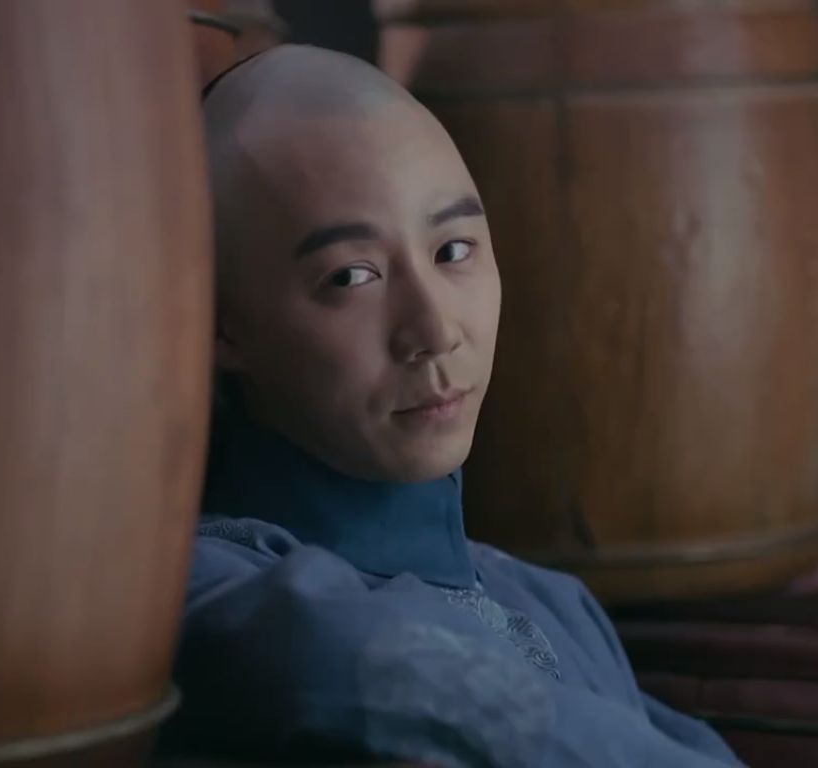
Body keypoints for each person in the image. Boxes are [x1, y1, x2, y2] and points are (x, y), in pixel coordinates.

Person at [164, 44, 742, 768]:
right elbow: (359, 673)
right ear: (222, 325)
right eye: (352, 276)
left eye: (454, 251)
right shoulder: (211, 594)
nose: (435, 331)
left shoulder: (553, 605)